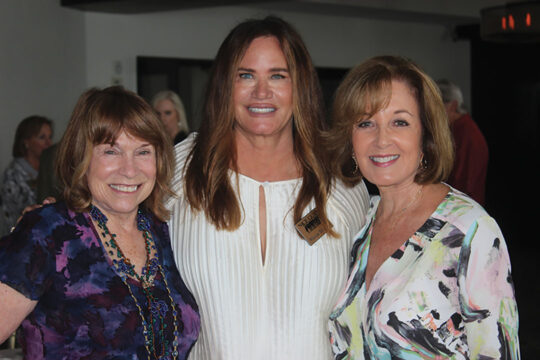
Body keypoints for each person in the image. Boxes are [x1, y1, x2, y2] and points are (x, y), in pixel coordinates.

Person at [167, 16, 369, 359]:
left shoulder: (339, 180)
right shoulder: (182, 167)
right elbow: (113, 230)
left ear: (300, 86)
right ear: (224, 86)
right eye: (245, 75)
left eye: (278, 75)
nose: (261, 92)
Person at [327, 56, 519, 359]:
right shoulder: (357, 223)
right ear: (350, 141)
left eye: (399, 122)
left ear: (426, 136)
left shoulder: (469, 230)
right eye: (366, 123)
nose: (381, 139)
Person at [0, 86, 200, 359]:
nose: (129, 170)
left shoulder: (165, 232)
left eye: (143, 152)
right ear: (81, 156)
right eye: (111, 152)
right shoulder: (48, 232)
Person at [436, 79, 489, 205]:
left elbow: (464, 185)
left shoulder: (467, 134)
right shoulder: (456, 129)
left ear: (453, 106)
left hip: (460, 210)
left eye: (437, 106)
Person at [0, 116, 52, 233]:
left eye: (50, 137)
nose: (49, 143)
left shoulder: (50, 168)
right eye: (42, 138)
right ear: (26, 142)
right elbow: (10, 218)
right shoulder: (13, 174)